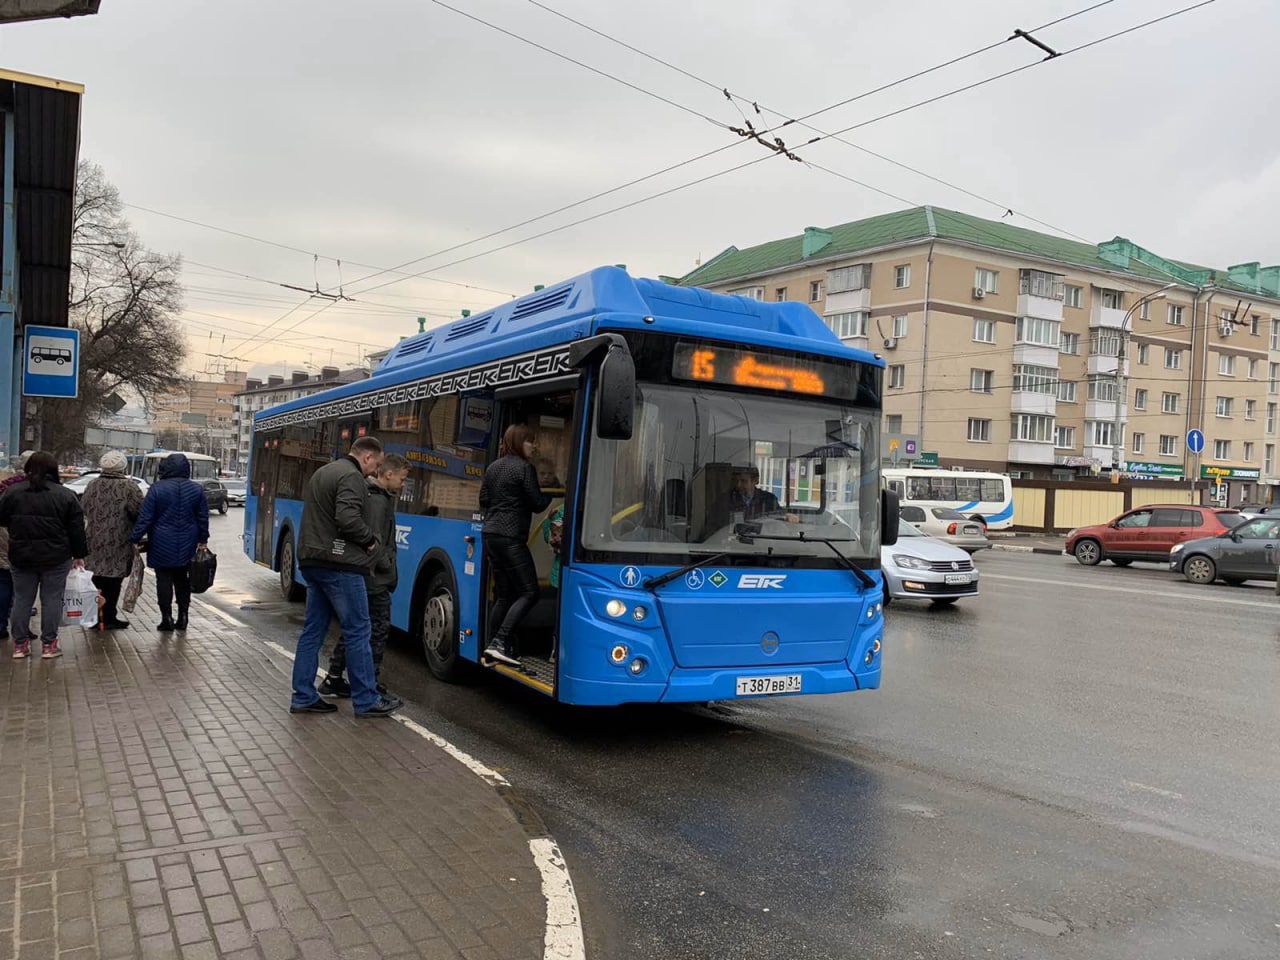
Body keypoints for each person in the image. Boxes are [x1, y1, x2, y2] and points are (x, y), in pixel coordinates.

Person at [291, 436, 400, 718]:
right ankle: (366, 700)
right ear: (367, 457)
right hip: (339, 564)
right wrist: (370, 541)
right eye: (375, 464)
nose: (374, 470)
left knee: (313, 630)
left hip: (312, 561)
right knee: (359, 629)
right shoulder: (352, 477)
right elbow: (347, 518)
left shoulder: (324, 471)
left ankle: (303, 696)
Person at [319, 454, 410, 699]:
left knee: (357, 628)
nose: (403, 484)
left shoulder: (371, 494)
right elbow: (375, 539)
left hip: (366, 574)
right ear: (388, 474)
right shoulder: (379, 501)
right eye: (402, 479)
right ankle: (370, 682)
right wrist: (386, 565)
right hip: (374, 577)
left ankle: (334, 677)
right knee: (377, 629)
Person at [0, 451, 88, 659]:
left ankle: (20, 645)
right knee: (51, 600)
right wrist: (79, 554)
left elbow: (2, 519)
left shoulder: (13, 492)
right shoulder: (66, 495)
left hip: (21, 556)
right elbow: (77, 529)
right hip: (56, 557)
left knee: (22, 599)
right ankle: (49, 645)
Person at [479, 424, 551, 666]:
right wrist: (555, 495)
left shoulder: (493, 467)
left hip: (490, 535)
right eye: (530, 442)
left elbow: (484, 499)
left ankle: (490, 646)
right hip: (511, 537)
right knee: (530, 591)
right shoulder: (524, 468)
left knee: (503, 594)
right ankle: (499, 641)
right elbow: (537, 503)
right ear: (520, 443)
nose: (534, 446)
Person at [130, 453, 209, 632]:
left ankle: (166, 618)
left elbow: (145, 518)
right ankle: (183, 616)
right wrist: (202, 540)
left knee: (163, 580)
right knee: (183, 580)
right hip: (188, 541)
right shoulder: (196, 490)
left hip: (161, 541)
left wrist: (135, 537)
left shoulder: (157, 489)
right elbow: (202, 518)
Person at [82, 450, 144, 630]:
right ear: (123, 467)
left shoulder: (92, 485)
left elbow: (84, 507)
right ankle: (109, 616)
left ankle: (94, 615)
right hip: (119, 540)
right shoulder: (130, 487)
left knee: (95, 577)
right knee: (114, 579)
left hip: (93, 538)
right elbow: (138, 512)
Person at [0, 451, 35, 642]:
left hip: (3, 537)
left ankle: (0, 624)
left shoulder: (6, 485)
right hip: (22, 540)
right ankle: (21, 628)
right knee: (23, 589)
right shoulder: (33, 488)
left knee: (4, 581)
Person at [712, 464, 782, 524]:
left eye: (743, 481)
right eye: (736, 480)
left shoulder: (769, 500)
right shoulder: (724, 500)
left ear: (755, 480)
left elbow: (778, 523)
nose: (738, 485)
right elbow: (713, 527)